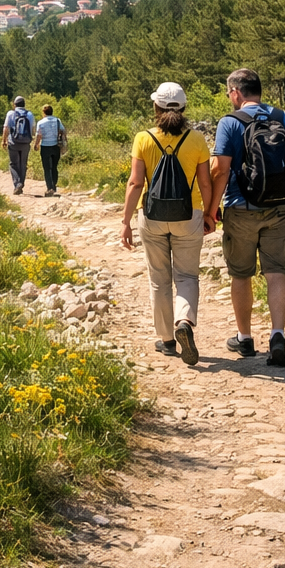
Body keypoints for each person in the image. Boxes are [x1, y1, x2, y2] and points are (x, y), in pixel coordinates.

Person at [205, 67, 285, 368]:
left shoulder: (229, 123)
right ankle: (277, 335)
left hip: (241, 208)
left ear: (236, 92)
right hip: (280, 207)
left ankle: (245, 338)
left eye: (228, 93)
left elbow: (220, 170)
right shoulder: (283, 117)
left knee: (241, 273)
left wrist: (212, 210)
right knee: (276, 272)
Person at [121, 83, 215, 365]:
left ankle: (166, 339)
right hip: (189, 215)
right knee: (187, 276)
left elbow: (136, 182)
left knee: (159, 280)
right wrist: (209, 214)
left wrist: (125, 222)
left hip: (152, 216)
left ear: (156, 108)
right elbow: (205, 182)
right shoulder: (196, 139)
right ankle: (184, 320)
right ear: (184, 109)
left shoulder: (143, 138)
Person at [2, 95, 35, 195]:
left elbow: (6, 128)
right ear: (24, 104)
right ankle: (21, 183)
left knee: (13, 164)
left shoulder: (11, 113)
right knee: (23, 164)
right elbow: (33, 129)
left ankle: (17, 184)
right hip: (26, 143)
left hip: (13, 142)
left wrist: (4, 140)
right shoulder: (30, 114)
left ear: (14, 104)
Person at [36, 103, 66, 197]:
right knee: (54, 166)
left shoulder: (40, 123)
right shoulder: (57, 120)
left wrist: (36, 144)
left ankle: (50, 188)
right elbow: (63, 131)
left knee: (47, 168)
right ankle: (54, 184)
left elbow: (39, 135)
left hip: (45, 146)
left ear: (43, 113)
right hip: (56, 146)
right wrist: (64, 143)